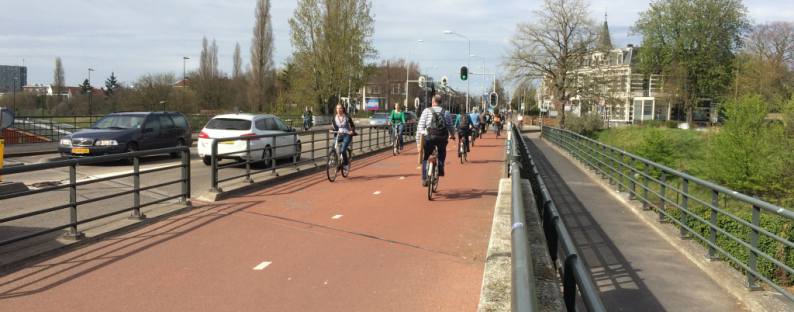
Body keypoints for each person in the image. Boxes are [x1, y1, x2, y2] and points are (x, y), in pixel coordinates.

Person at [416, 94, 455, 187]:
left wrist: (418, 144)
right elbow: (450, 126)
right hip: (441, 138)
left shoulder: (426, 111)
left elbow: (420, 128)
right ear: (441, 103)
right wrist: (452, 135)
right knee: (442, 150)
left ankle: (425, 179)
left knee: (426, 157)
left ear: (432, 102)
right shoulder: (446, 112)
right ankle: (440, 164)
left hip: (428, 138)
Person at [329, 104, 356, 172]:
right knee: (333, 146)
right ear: (336, 110)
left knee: (343, 150)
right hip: (339, 134)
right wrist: (331, 130)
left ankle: (346, 165)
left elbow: (352, 126)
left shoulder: (347, 117)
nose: (339, 110)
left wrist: (352, 131)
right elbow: (334, 126)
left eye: (340, 108)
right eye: (337, 108)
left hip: (347, 134)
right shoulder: (334, 118)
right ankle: (333, 160)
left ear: (343, 109)